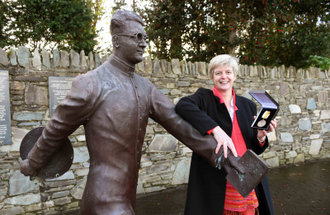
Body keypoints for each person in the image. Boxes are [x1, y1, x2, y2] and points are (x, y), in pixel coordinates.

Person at [19, 11, 240, 215]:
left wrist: (226, 156)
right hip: (103, 199)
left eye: (145, 37)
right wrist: (32, 162)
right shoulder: (91, 83)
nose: (143, 43)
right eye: (137, 37)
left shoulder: (146, 87)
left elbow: (180, 126)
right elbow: (56, 129)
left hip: (127, 196)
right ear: (116, 40)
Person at [175, 54, 277, 215]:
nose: (224, 77)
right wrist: (215, 129)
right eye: (218, 73)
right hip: (216, 175)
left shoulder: (248, 105)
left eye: (228, 72)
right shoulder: (203, 98)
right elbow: (182, 105)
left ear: (235, 75)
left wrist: (260, 136)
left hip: (247, 172)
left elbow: (255, 149)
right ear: (212, 76)